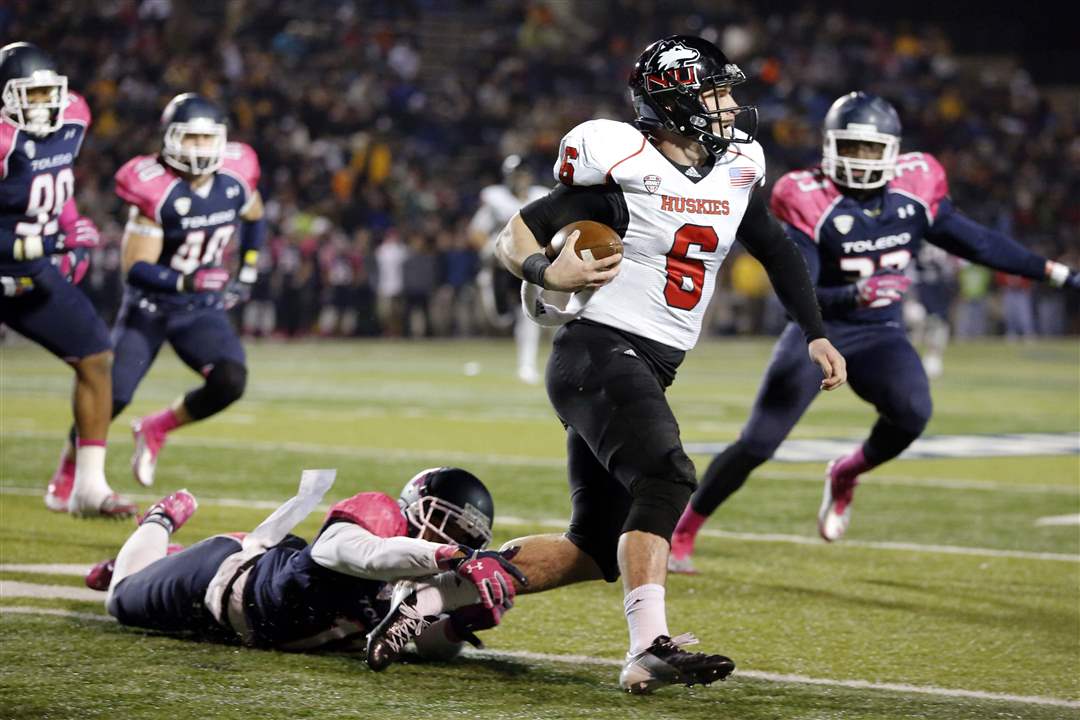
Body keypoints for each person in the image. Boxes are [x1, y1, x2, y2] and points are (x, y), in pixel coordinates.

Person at [368, 36, 846, 694]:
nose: (731, 106)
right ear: (675, 103)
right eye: (715, 93)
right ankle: (649, 647)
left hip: (644, 364)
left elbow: (776, 249)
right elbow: (515, 234)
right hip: (596, 351)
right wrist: (545, 270)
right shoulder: (625, 168)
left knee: (593, 548)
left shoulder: (737, 167)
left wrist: (815, 332)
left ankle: (425, 601)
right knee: (667, 475)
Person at [670, 91, 1080, 569]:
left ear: (893, 151)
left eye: (870, 148)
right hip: (820, 331)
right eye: (850, 147)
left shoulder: (915, 188)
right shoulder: (808, 196)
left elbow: (979, 243)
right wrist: (855, 295)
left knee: (912, 415)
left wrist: (1056, 272)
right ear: (829, 146)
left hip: (881, 331)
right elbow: (798, 291)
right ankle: (683, 532)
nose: (860, 159)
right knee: (758, 443)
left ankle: (846, 472)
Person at [48, 93, 266, 492]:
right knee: (111, 397)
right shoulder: (156, 187)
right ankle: (69, 467)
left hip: (199, 308)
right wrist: (187, 280)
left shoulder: (235, 176)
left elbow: (254, 215)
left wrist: (248, 268)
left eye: (207, 138)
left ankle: (157, 427)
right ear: (170, 138)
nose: (200, 148)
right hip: (150, 308)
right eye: (191, 138)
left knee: (230, 381)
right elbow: (136, 269)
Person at [87, 467, 526, 658]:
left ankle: (163, 560)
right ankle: (162, 519)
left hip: (255, 625)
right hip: (222, 577)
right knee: (120, 599)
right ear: (414, 506)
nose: (450, 541)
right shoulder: (379, 517)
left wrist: (456, 627)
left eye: (466, 539)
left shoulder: (429, 576)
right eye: (446, 525)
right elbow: (370, 558)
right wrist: (454, 556)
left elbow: (420, 644)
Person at [0, 41, 136, 517]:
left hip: (32, 274)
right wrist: (38, 244)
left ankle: (88, 488)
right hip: (17, 259)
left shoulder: (73, 117)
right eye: (29, 96)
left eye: (46, 94)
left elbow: (57, 181)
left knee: (96, 358)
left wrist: (71, 226)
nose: (42, 106)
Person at [469, 155, 549, 384]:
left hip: (528, 266)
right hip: (500, 267)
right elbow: (476, 231)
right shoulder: (496, 199)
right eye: (516, 175)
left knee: (528, 313)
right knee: (499, 318)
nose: (520, 179)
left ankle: (527, 365)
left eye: (523, 174)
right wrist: (489, 248)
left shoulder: (540, 197)